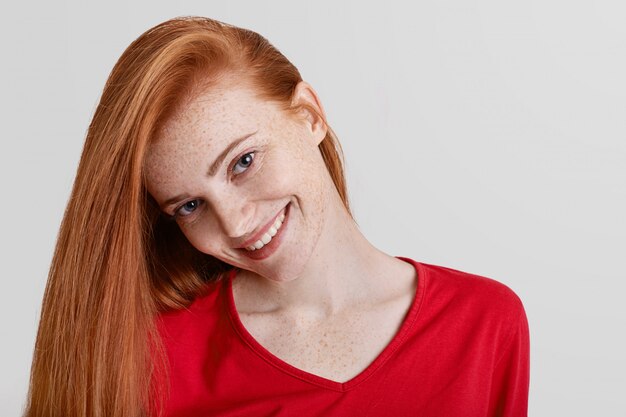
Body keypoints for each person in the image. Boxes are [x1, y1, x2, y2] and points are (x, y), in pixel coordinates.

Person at [25, 16, 529, 417]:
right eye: (190, 206)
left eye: (243, 162)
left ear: (309, 115)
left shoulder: (485, 323)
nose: (236, 224)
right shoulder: (154, 359)